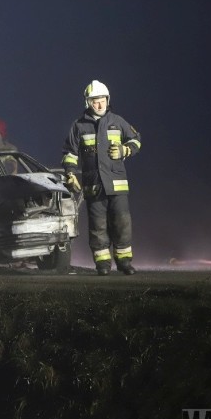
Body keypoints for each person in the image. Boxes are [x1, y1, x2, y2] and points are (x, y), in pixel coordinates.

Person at [62, 80, 141, 276]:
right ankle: (103, 265)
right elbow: (69, 153)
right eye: (95, 101)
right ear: (87, 102)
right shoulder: (78, 126)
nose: (100, 104)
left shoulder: (118, 121)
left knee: (122, 224)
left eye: (103, 100)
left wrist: (125, 149)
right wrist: (70, 174)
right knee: (98, 227)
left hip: (117, 186)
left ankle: (124, 263)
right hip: (94, 186)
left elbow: (136, 139)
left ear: (108, 100)